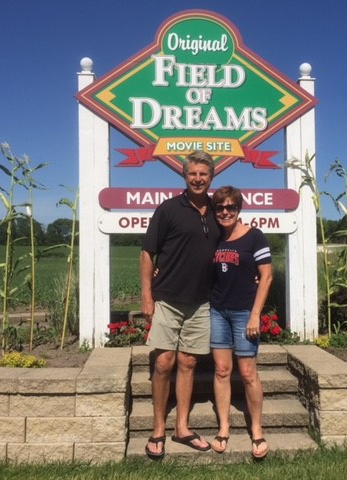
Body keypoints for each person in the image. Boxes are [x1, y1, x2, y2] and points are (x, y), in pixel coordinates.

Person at [140, 150, 220, 459]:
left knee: (188, 363)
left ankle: (182, 428)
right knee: (163, 363)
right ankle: (158, 429)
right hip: (168, 299)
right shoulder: (168, 209)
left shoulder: (218, 211)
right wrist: (147, 295)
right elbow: (148, 252)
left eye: (203, 174)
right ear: (184, 176)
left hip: (201, 302)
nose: (198, 179)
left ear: (211, 177)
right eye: (192, 174)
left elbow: (234, 245)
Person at [208, 185, 272, 460]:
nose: (225, 212)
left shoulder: (254, 236)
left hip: (245, 312)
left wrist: (256, 313)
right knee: (222, 370)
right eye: (220, 207)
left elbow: (266, 276)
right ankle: (224, 427)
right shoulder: (213, 238)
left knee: (247, 373)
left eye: (231, 207)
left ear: (239, 208)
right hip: (217, 311)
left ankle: (256, 430)